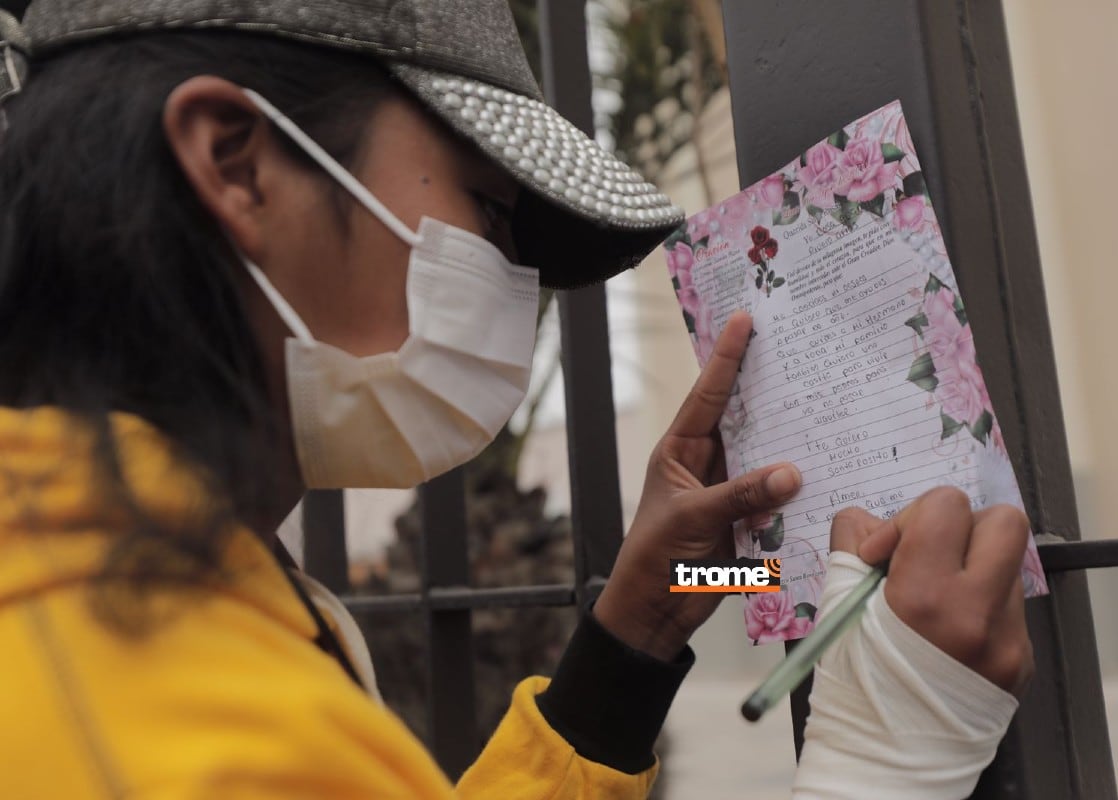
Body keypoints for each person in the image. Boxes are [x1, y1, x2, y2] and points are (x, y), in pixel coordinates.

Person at [0, 1, 1032, 798]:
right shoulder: (179, 725)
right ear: (237, 162)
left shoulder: (163, 586)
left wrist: (626, 646)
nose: (515, 288)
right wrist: (877, 771)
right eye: (491, 208)